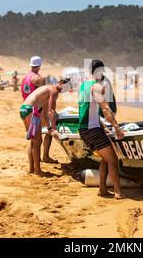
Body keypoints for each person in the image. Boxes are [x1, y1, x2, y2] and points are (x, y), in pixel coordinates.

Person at [78, 60, 125, 199]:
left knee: (105, 159)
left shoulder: (83, 86)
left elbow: (87, 109)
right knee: (112, 159)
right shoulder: (96, 87)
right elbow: (105, 108)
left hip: (84, 128)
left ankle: (102, 189)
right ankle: (118, 192)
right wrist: (116, 128)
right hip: (92, 129)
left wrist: (102, 125)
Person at [20, 78, 70, 176]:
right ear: (60, 83)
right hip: (31, 111)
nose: (65, 89)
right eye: (65, 86)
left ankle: (31, 169)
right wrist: (55, 130)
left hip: (24, 109)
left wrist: (50, 128)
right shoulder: (54, 91)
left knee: (33, 141)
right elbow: (51, 112)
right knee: (38, 141)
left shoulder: (49, 90)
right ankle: (38, 170)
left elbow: (46, 113)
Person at [21, 56, 57, 164]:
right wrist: (46, 117)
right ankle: (43, 159)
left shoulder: (25, 77)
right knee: (39, 139)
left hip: (25, 108)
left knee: (32, 140)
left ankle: (32, 167)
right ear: (40, 65)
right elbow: (44, 97)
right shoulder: (39, 79)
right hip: (35, 110)